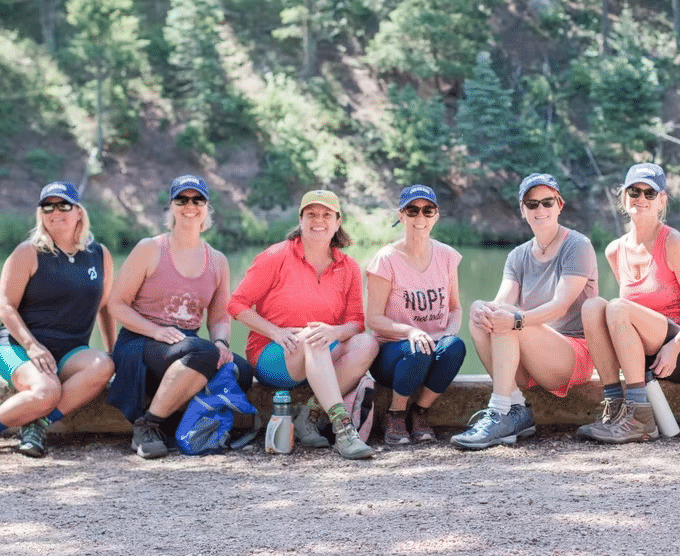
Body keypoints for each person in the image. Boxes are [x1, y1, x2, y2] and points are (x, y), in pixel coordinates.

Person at [0, 181, 116, 458]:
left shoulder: (99, 254)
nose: (55, 211)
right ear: (41, 213)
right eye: (47, 206)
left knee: (104, 365)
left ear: (79, 212)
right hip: (18, 347)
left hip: (69, 351)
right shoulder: (28, 252)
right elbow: (5, 307)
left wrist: (113, 350)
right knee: (46, 391)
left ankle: (38, 423)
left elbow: (105, 306)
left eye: (63, 205)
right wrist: (33, 345)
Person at [107, 175, 252, 459]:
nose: (190, 205)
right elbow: (117, 304)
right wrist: (155, 330)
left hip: (185, 349)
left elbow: (220, 316)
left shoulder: (218, 260)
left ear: (207, 207)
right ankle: (147, 426)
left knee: (241, 370)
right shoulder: (150, 248)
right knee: (202, 351)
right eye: (181, 200)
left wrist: (222, 343)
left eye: (197, 200)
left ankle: (185, 424)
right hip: (140, 343)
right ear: (171, 207)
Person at [451, 173, 598, 450]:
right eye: (532, 204)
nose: (540, 210)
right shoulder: (518, 255)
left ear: (559, 205)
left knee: (507, 321)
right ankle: (516, 410)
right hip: (531, 352)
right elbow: (502, 302)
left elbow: (560, 305)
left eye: (547, 202)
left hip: (572, 355)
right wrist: (481, 307)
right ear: (522, 210)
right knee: (482, 319)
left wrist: (515, 319)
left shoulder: (578, 245)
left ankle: (498, 410)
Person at [229, 189, 379, 459]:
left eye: (326, 214)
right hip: (275, 354)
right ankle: (344, 429)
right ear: (300, 219)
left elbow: (357, 323)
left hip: (321, 350)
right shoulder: (276, 257)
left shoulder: (349, 267)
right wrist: (275, 332)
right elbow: (236, 305)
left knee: (367, 343)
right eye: (311, 214)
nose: (318, 220)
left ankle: (309, 414)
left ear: (337, 222)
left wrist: (334, 331)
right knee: (313, 338)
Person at [577, 163, 680, 443]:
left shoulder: (673, 242)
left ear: (662, 201)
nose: (641, 198)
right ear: (624, 198)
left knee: (616, 306)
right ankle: (615, 408)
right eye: (634, 191)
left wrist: (674, 348)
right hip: (643, 352)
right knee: (591, 307)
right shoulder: (615, 250)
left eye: (650, 193)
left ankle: (639, 417)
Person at [366, 185, 465, 446]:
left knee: (455, 346)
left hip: (432, 348)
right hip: (393, 355)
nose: (420, 217)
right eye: (412, 210)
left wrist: (448, 333)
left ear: (436, 215)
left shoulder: (446, 256)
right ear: (401, 215)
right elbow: (373, 319)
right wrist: (410, 331)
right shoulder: (385, 259)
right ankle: (396, 414)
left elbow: (455, 308)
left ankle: (420, 412)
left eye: (427, 210)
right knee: (419, 348)